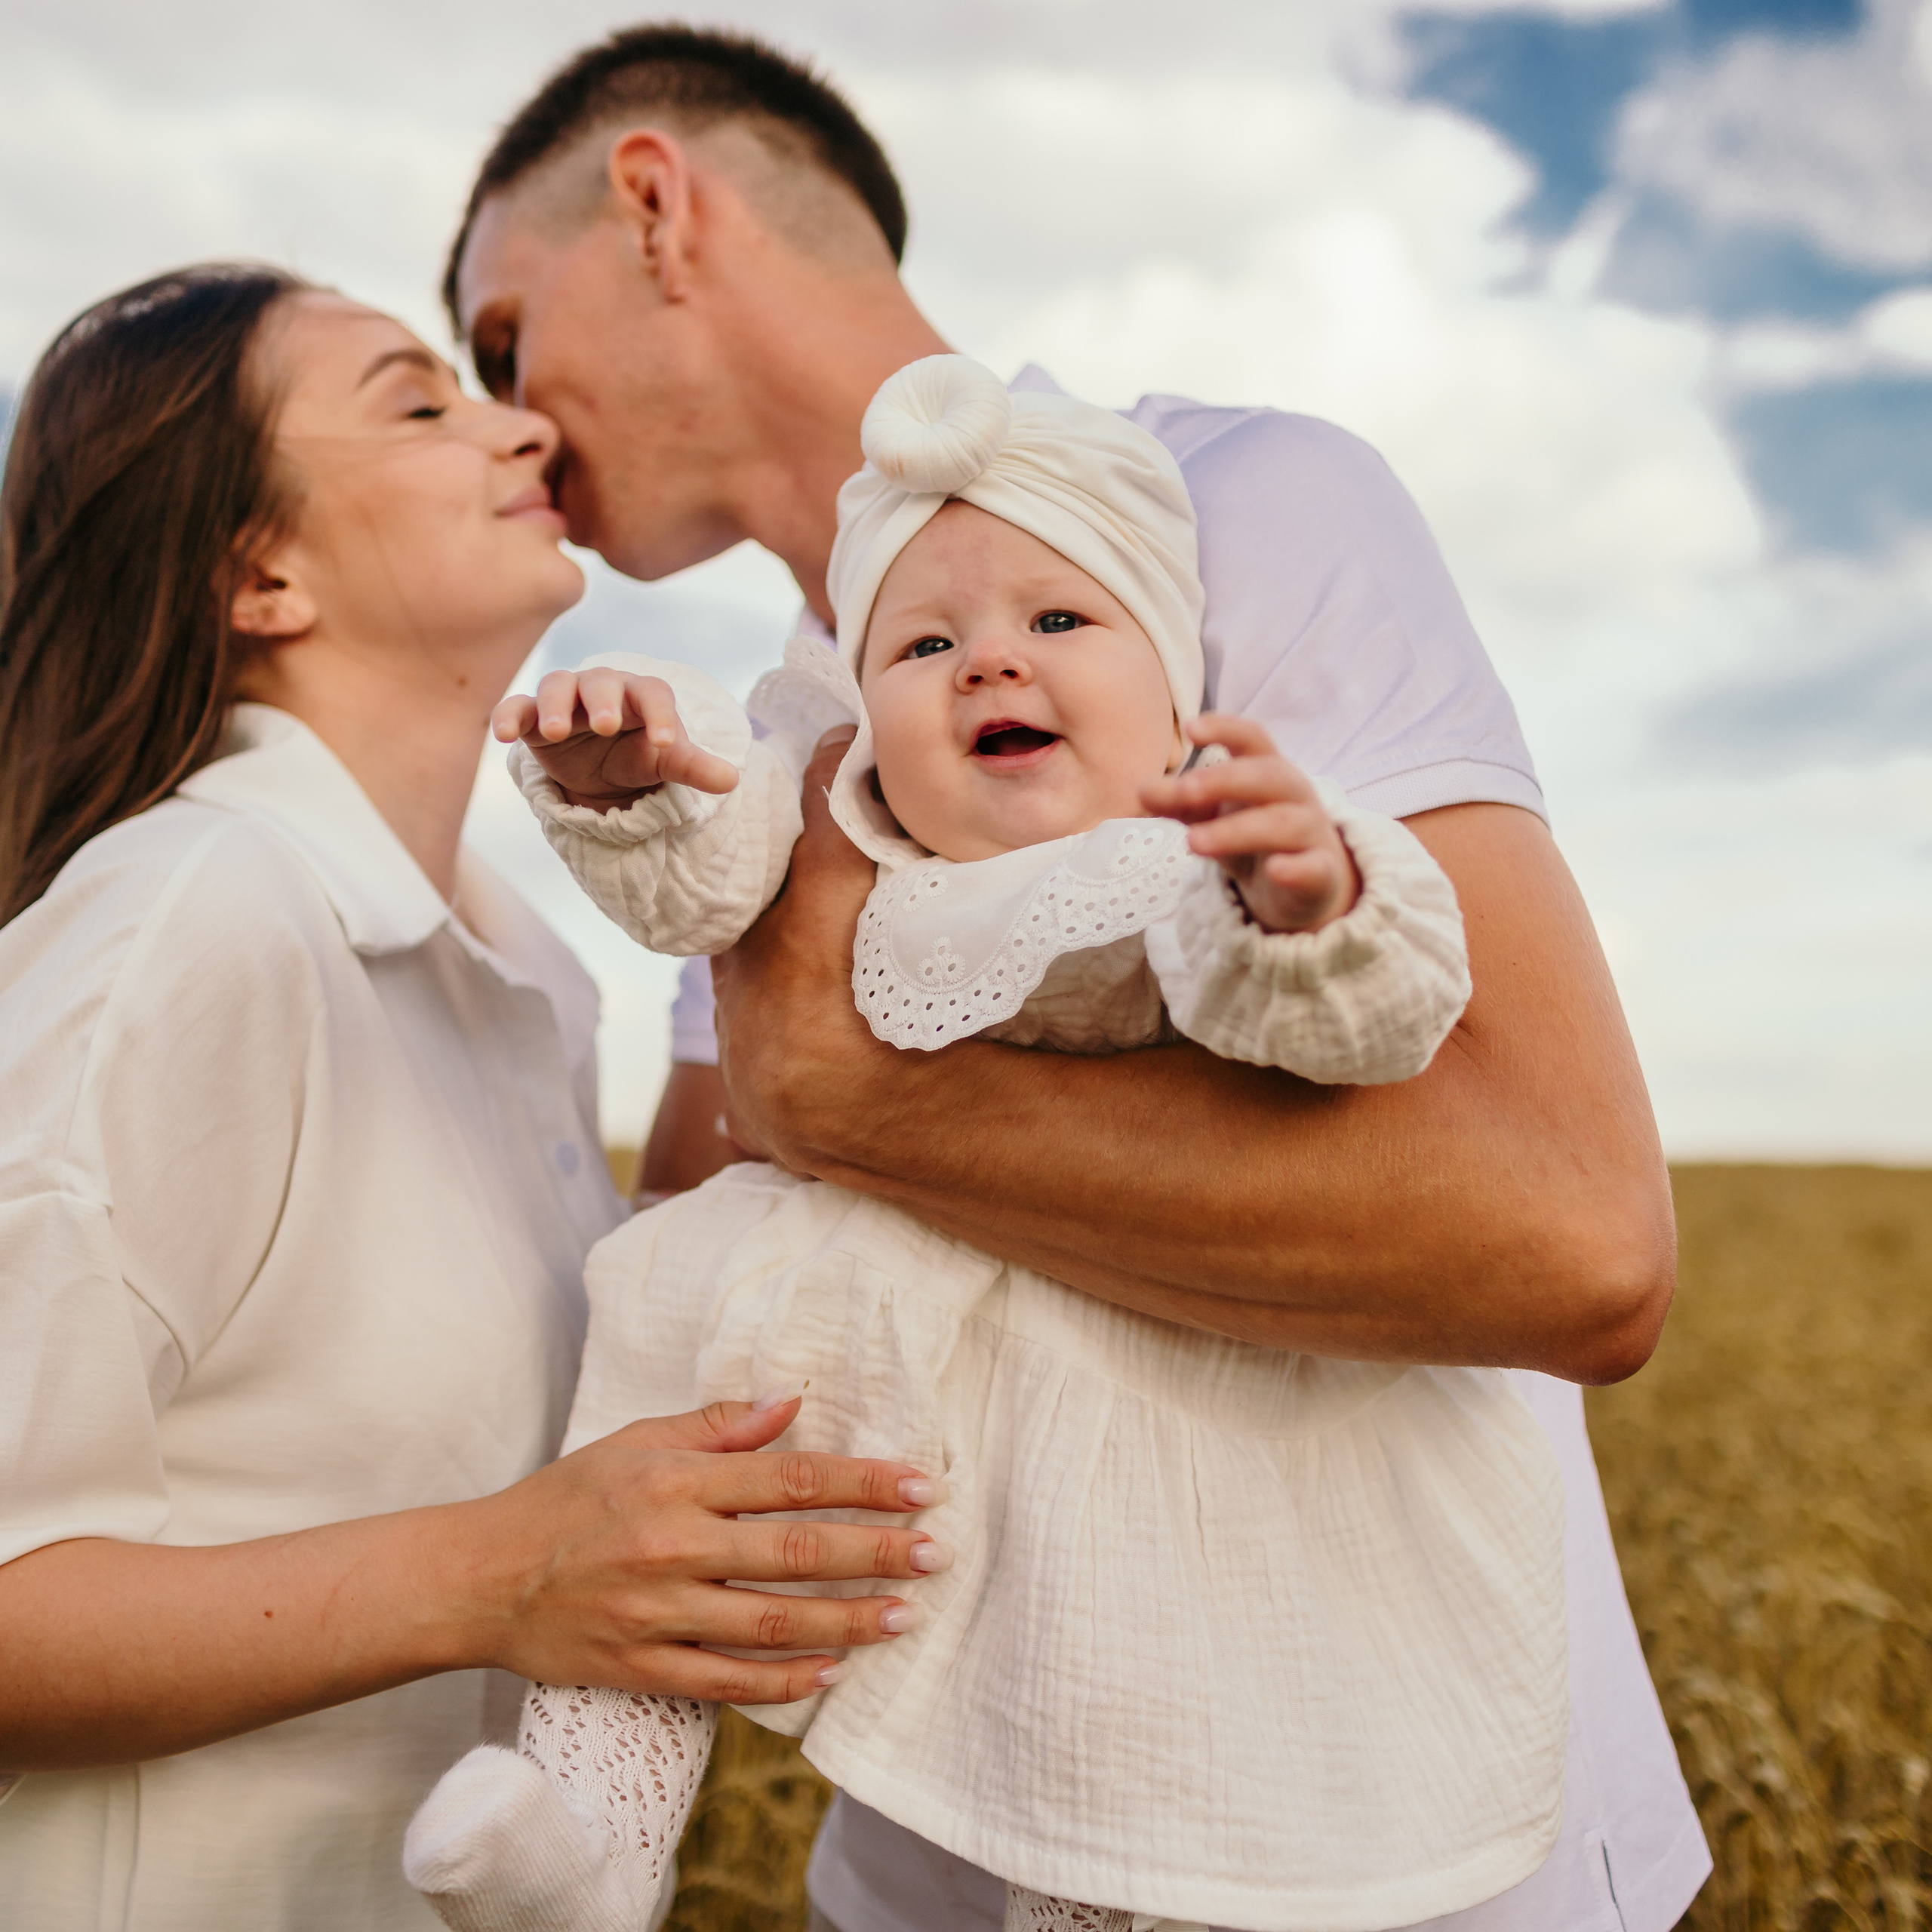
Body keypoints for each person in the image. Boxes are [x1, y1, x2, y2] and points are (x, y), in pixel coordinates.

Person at [444, 24, 1712, 1932]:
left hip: (1395, 1849)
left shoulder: (1244, 500)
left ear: (650, 205)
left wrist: (848, 1094)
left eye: (501, 341)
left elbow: (1575, 1242)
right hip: (936, 1843)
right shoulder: (767, 749)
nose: (510, 436)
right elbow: (724, 1269)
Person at [0, 264, 949, 1931]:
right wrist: (504, 1572)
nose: (521, 426)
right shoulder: (188, 917)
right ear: (260, 573)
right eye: (418, 401)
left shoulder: (528, 982)